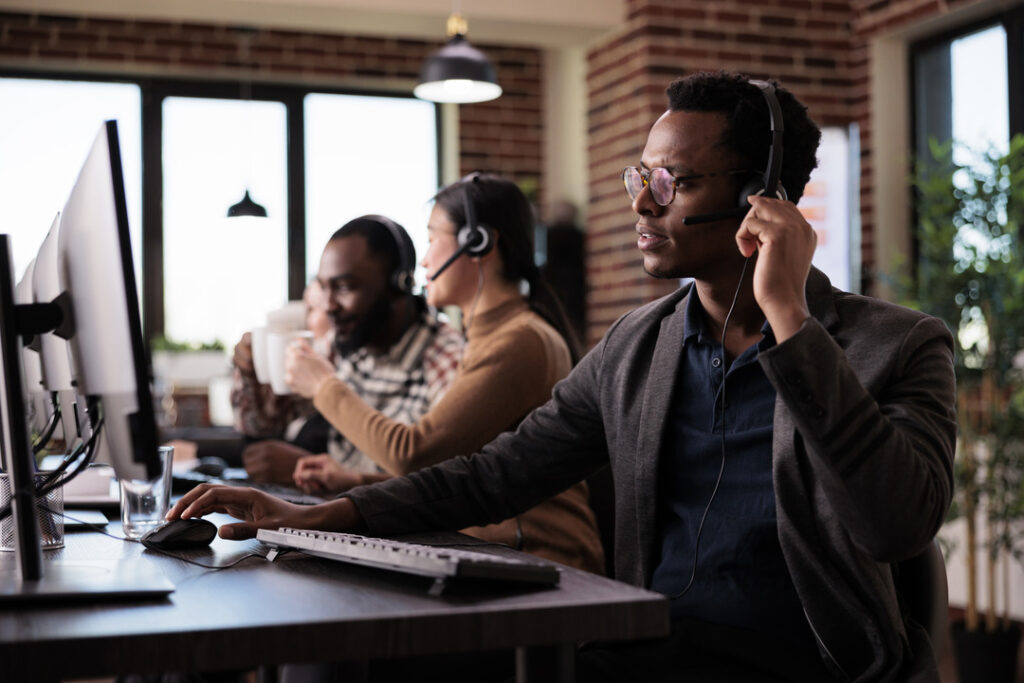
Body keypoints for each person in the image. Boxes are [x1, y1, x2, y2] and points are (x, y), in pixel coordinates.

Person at [170, 72, 956, 683]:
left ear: (764, 199)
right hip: (645, 644)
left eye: (673, 183)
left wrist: (791, 321)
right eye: (639, 177)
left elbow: (895, 524)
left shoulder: (901, 346)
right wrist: (316, 514)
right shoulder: (637, 345)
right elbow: (493, 475)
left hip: (802, 663)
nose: (642, 206)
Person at [283, 174, 602, 574]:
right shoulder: (493, 336)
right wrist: (355, 480)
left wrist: (323, 386)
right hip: (496, 551)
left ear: (478, 243)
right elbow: (465, 474)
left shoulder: (521, 341)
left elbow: (414, 453)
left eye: (434, 239)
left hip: (544, 559)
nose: (425, 260)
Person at [230, 216, 464, 485]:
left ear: (400, 284)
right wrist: (251, 374)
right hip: (335, 518)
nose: (328, 306)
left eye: (343, 287)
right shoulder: (341, 345)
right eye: (323, 287)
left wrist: (346, 480)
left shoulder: (447, 358)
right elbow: (265, 426)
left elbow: (448, 485)